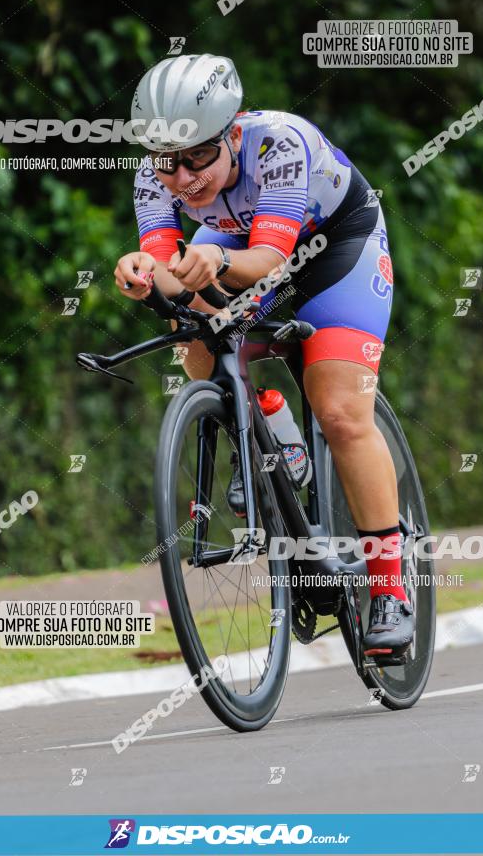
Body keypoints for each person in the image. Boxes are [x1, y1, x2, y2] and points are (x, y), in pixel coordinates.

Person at [115, 53, 413, 658]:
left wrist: (213, 262)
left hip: (334, 251)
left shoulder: (280, 144)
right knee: (194, 326)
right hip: (236, 246)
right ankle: (270, 426)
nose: (183, 178)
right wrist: (144, 272)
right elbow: (169, 269)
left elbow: (271, 263)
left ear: (231, 132)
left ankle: (390, 589)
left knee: (339, 410)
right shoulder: (158, 172)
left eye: (199, 156)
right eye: (168, 162)